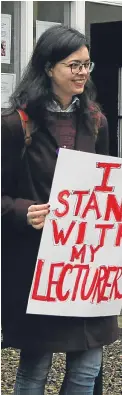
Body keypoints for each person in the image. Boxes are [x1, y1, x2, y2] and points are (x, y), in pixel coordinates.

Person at [1, 25, 118, 395]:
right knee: (35, 371)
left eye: (87, 64)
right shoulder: (14, 125)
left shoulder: (97, 121)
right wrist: (24, 211)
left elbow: (102, 188)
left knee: (86, 371)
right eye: (74, 65)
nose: (83, 73)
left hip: (87, 269)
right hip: (40, 271)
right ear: (49, 68)